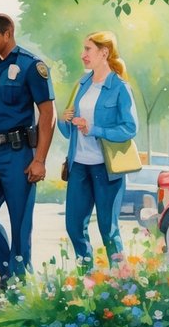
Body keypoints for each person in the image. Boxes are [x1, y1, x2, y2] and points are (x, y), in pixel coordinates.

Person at [0, 13, 56, 301]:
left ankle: (16, 291)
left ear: (8, 33)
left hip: (18, 154)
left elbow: (47, 114)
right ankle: (13, 278)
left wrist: (40, 158)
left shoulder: (31, 66)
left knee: (19, 224)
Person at [58, 32, 139, 265]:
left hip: (107, 168)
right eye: (83, 49)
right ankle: (87, 280)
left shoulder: (120, 87)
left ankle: (121, 284)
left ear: (104, 53)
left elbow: (130, 128)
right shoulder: (81, 85)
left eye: (88, 50)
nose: (82, 55)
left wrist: (94, 129)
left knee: (108, 229)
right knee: (74, 226)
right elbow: (67, 132)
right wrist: (66, 120)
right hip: (79, 166)